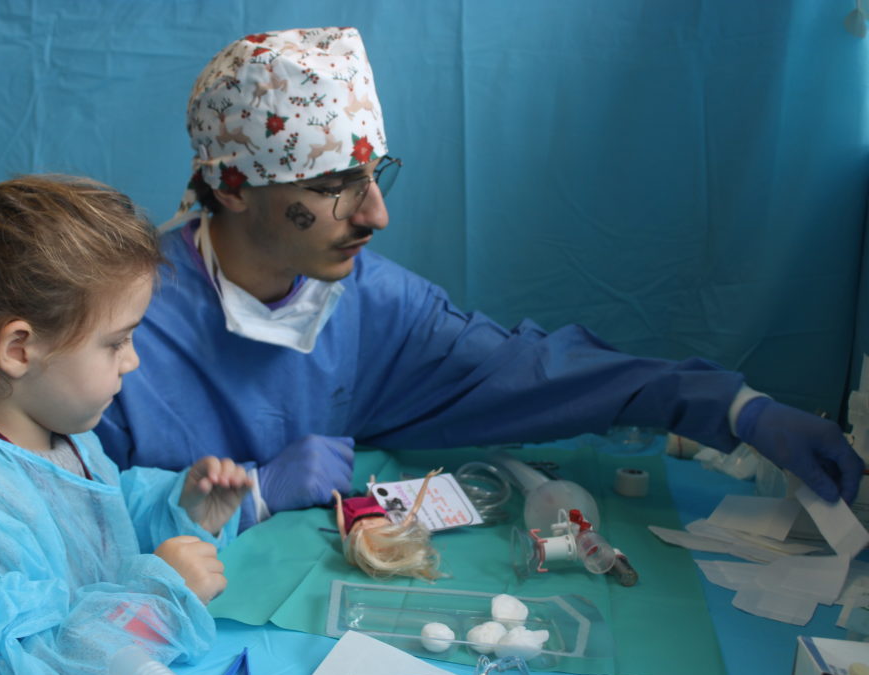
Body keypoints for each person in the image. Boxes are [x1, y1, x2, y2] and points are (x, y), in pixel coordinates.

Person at [96, 26, 863, 530]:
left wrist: (732, 406)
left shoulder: (371, 306)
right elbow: (51, 515)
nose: (377, 214)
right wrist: (254, 495)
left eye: (376, 176)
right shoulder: (121, 324)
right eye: (333, 187)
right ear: (231, 187)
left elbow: (534, 372)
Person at [0, 146, 251, 675]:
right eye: (116, 342)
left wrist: (180, 511)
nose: (133, 361)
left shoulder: (63, 440)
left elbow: (100, 529)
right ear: (19, 349)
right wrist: (156, 604)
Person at [332, 468, 443, 581]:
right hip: (379, 507)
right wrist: (427, 480)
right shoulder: (396, 532)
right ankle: (372, 485)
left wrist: (338, 499)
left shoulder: (350, 543)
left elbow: (341, 523)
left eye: (357, 529)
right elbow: (415, 507)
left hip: (356, 509)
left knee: (368, 496)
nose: (364, 522)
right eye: (371, 525)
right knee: (375, 495)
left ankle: (371, 487)